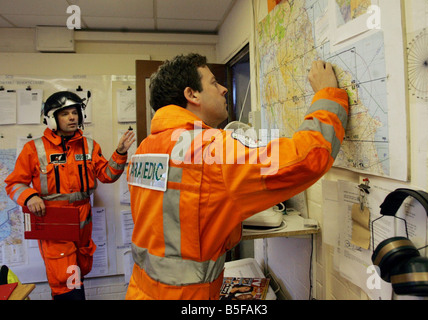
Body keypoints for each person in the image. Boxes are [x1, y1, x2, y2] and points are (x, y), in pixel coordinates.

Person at [125, 53, 348, 300]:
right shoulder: (209, 149)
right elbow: (307, 158)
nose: (222, 89)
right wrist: (327, 95)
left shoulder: (144, 149)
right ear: (192, 94)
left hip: (141, 290)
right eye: (213, 82)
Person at [4, 91, 135, 300]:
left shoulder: (89, 145)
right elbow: (14, 183)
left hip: (83, 222)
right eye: (65, 114)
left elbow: (107, 175)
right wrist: (30, 197)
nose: (72, 117)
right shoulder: (34, 149)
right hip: (54, 222)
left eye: (75, 112)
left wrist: (119, 153)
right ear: (52, 118)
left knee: (78, 273)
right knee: (65, 283)